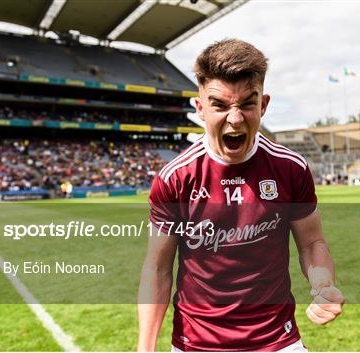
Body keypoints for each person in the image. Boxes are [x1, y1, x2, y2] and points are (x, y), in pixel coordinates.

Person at [137, 39, 343, 352]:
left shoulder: (290, 168)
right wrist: (145, 348)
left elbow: (312, 243)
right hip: (196, 344)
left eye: (247, 103)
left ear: (263, 104)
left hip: (277, 341)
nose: (235, 119)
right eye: (219, 105)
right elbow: (158, 268)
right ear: (200, 108)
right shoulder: (175, 179)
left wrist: (323, 284)